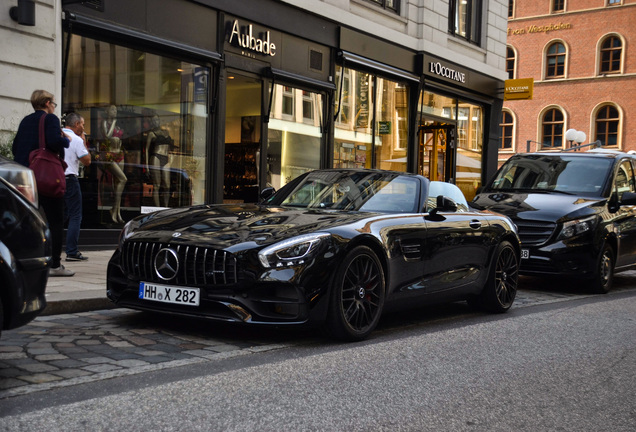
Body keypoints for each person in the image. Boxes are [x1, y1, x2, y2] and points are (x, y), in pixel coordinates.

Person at [12, 90, 74, 277]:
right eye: (53, 104)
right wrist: (66, 139)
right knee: (55, 220)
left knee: (28, 221)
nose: (54, 107)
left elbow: (16, 147)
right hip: (44, 178)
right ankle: (54, 265)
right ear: (47, 103)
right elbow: (55, 142)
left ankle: (26, 261)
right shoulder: (51, 119)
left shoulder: (25, 121)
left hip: (24, 178)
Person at [62, 112, 91, 261]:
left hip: (56, 179)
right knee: (75, 215)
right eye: (83, 124)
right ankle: (72, 251)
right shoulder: (76, 140)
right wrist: (84, 142)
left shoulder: (57, 135)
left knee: (59, 216)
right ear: (76, 124)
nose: (83, 127)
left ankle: (48, 247)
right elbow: (87, 161)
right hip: (70, 179)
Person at [100, 105, 127, 224]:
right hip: (109, 155)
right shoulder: (105, 123)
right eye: (112, 109)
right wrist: (114, 122)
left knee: (118, 184)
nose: (114, 111)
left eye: (116, 110)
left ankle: (117, 212)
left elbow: (120, 139)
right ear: (107, 111)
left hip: (119, 154)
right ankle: (113, 210)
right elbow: (107, 136)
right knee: (123, 179)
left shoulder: (118, 125)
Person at [145, 114, 174, 207]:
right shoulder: (151, 133)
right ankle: (157, 209)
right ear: (151, 122)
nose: (155, 122)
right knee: (156, 185)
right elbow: (146, 149)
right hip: (156, 157)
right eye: (153, 120)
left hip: (165, 158)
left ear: (159, 120)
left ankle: (165, 208)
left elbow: (170, 148)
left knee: (167, 185)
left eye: (157, 120)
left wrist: (170, 158)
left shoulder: (166, 132)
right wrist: (146, 166)